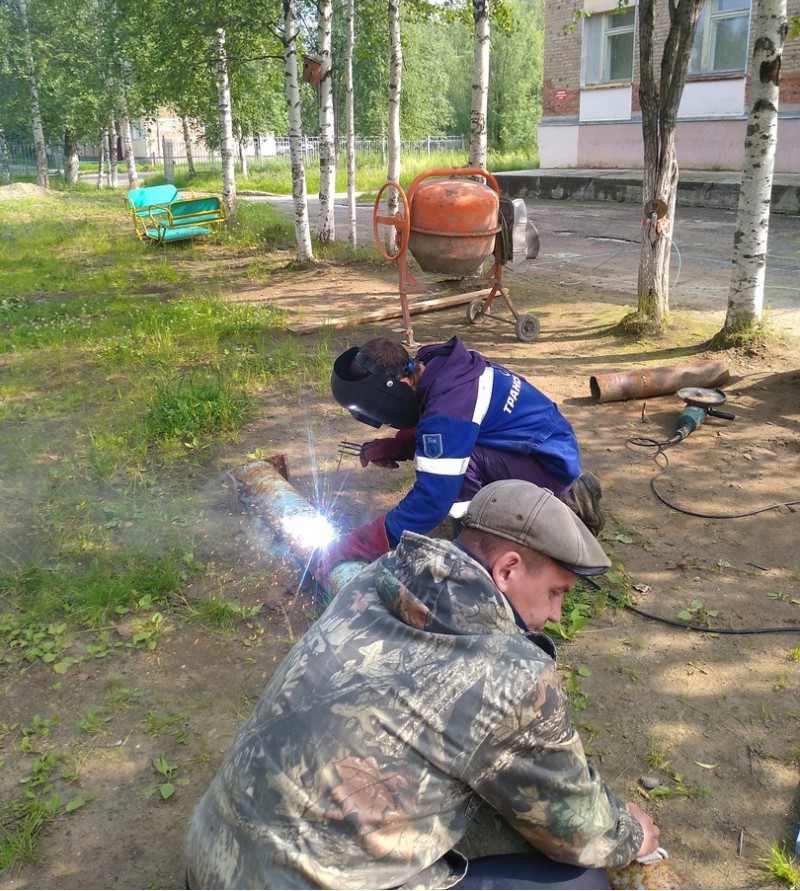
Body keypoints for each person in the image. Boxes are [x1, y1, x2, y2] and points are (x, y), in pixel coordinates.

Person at [185, 480, 660, 891]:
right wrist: (630, 832)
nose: (555, 614)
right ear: (507, 569)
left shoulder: (373, 578)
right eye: (556, 593)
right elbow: (579, 829)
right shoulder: (511, 675)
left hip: (214, 858)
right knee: (584, 881)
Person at [327, 335, 603, 573]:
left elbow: (431, 500)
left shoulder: (448, 406)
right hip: (543, 444)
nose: (382, 419)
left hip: (548, 462)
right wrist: (398, 446)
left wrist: (360, 544)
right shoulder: (432, 365)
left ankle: (484, 541)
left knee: (460, 466)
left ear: (397, 384)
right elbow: (449, 424)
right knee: (454, 456)